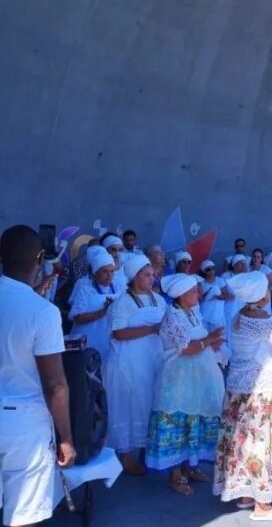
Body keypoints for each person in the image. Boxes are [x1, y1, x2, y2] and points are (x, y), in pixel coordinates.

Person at [0, 225, 77, 527]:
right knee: (23, 517)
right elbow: (55, 384)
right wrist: (67, 437)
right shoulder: (42, 312)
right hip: (25, 425)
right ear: (41, 257)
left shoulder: (37, 306)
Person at [214, 272, 272, 520]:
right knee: (262, 442)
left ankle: (245, 494)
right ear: (263, 295)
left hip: (238, 389)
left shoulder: (238, 318)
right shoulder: (269, 322)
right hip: (263, 391)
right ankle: (263, 504)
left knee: (242, 443)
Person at [145, 274, 226, 495]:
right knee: (178, 419)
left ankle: (189, 467)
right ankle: (175, 475)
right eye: (192, 292)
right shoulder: (173, 316)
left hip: (196, 380)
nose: (197, 294)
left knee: (194, 418)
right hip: (178, 380)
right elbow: (187, 348)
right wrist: (209, 340)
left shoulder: (192, 312)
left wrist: (212, 339)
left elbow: (198, 339)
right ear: (181, 296)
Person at [104, 254, 167, 475]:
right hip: (127, 362)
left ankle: (145, 451)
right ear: (135, 277)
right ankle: (126, 456)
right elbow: (119, 333)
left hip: (151, 360)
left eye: (153, 275)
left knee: (147, 403)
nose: (152, 279)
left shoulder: (158, 299)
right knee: (128, 406)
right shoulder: (123, 302)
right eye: (147, 275)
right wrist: (152, 329)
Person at [69, 247, 117, 359]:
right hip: (89, 340)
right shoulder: (85, 288)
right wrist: (103, 312)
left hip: (109, 341)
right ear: (96, 273)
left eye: (112, 271)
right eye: (105, 271)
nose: (109, 275)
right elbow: (77, 318)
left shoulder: (118, 287)